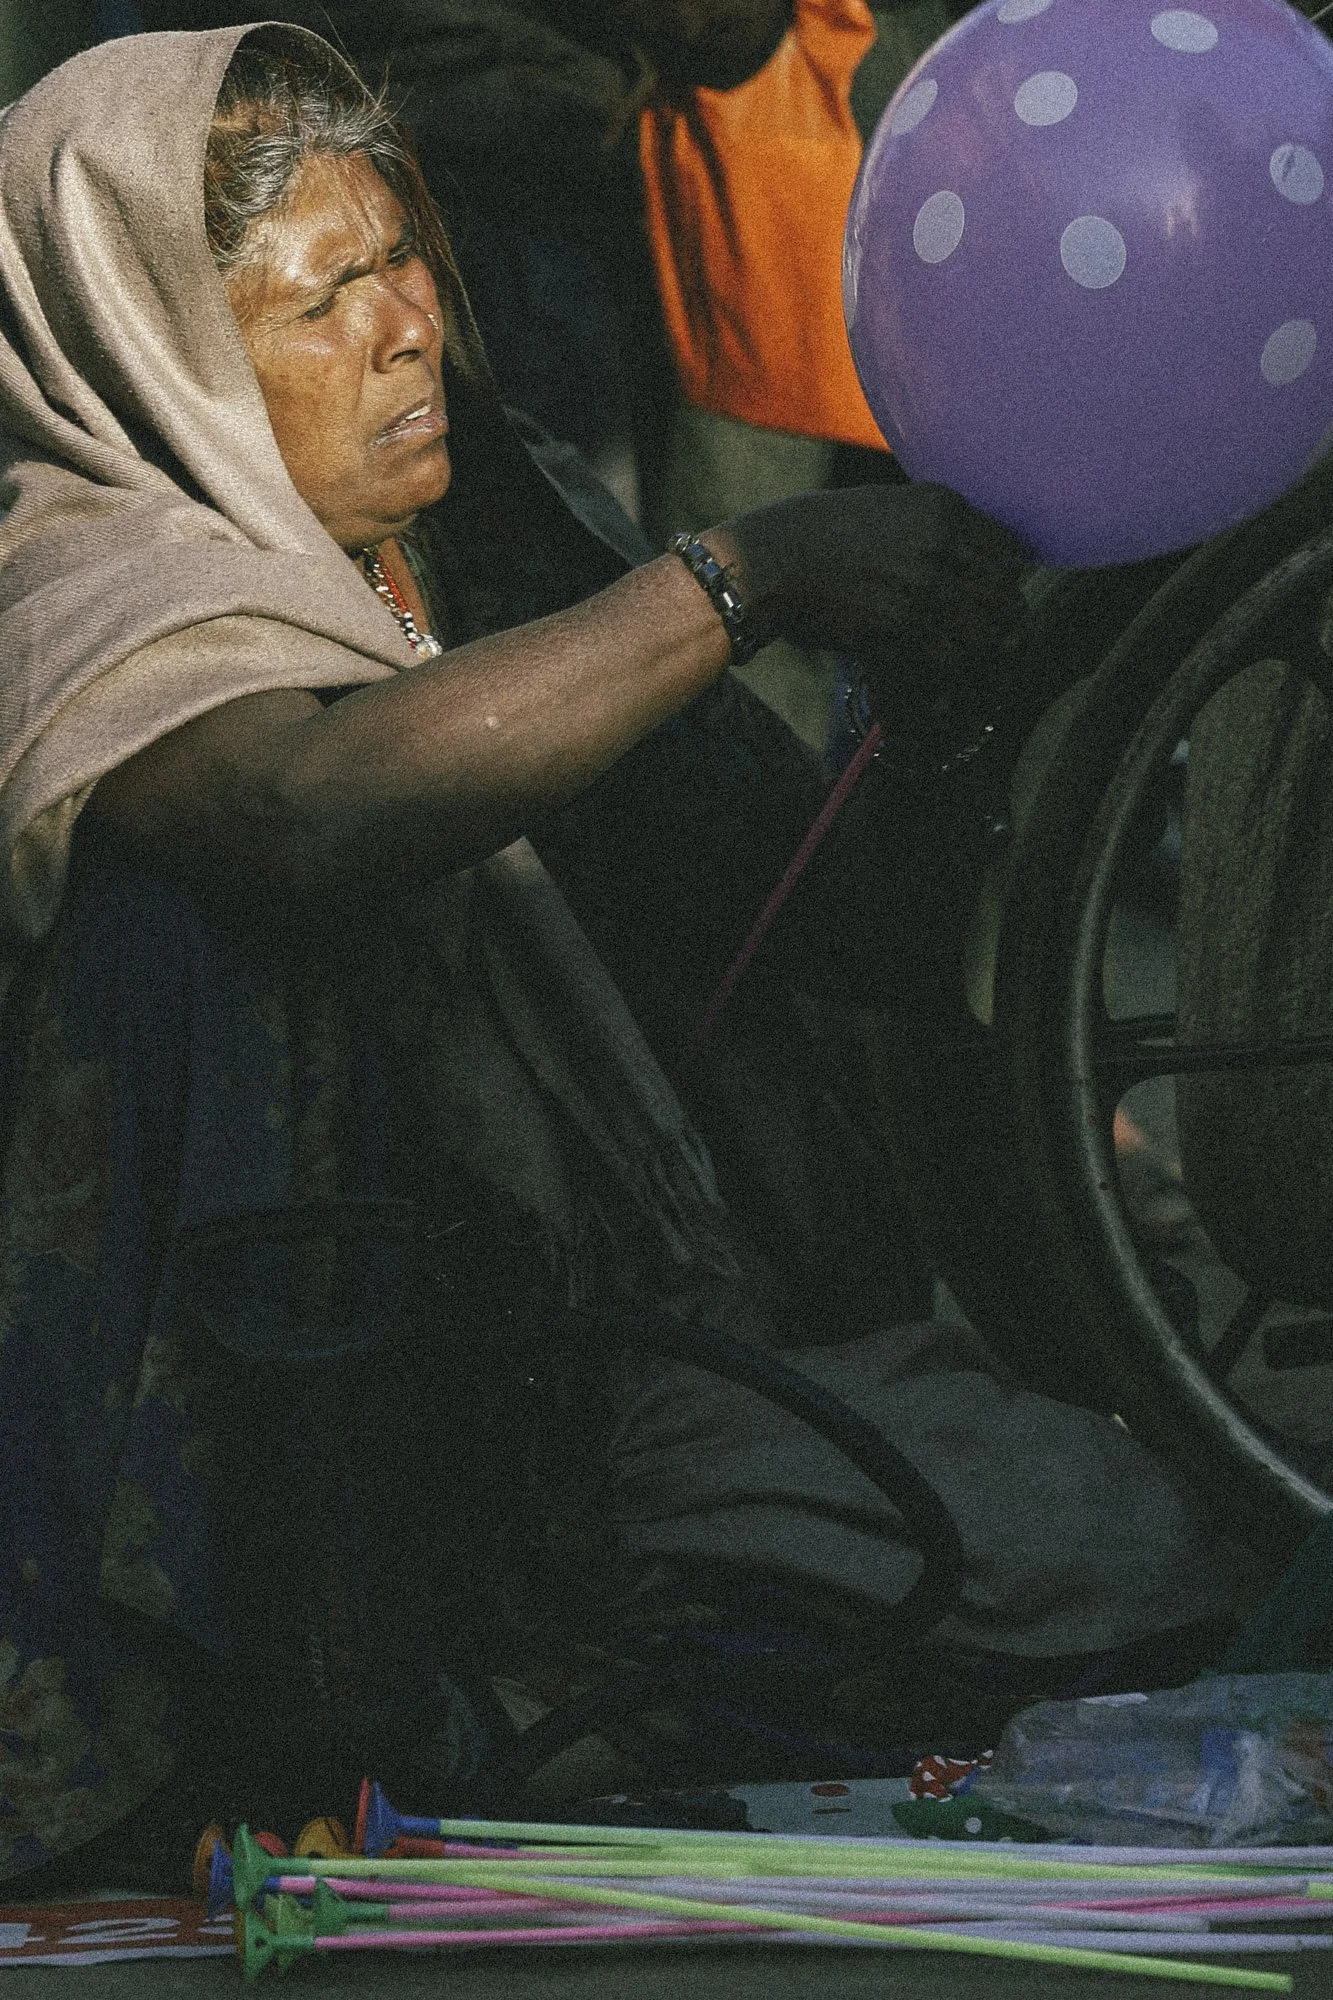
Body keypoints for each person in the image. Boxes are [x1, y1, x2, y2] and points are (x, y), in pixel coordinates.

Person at [0, 23, 1258, 1890]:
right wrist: (745, 580)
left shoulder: (470, 537)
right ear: (166, 344)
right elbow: (309, 809)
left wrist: (940, 713)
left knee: (1160, 1554)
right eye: (324, 295)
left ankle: (555, 1670)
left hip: (578, 1383)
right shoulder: (88, 587)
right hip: (264, 1457)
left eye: (406, 255)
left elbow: (829, 921)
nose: (408, 325)